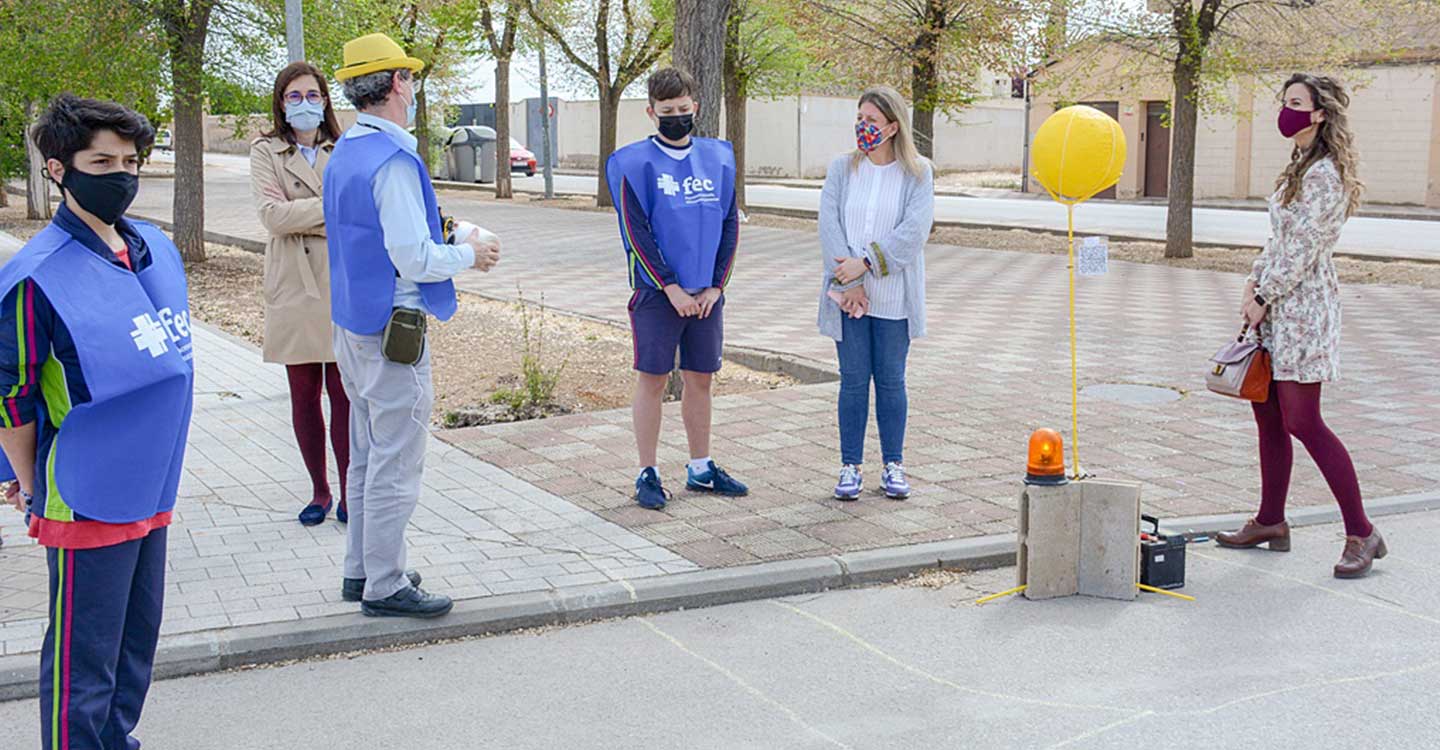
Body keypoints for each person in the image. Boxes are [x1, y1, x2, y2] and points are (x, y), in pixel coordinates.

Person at [0, 95, 193, 750]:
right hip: (84, 495)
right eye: (101, 161)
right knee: (85, 664)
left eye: (130, 160)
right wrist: (25, 481)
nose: (120, 174)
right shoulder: (36, 277)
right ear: (59, 169)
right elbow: (13, 395)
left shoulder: (148, 249)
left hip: (153, 484)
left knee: (134, 651)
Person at [325, 33, 500, 617]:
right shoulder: (394, 160)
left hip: (352, 322)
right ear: (398, 83)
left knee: (365, 452)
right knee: (396, 458)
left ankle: (363, 568)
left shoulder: (347, 151)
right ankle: (386, 584)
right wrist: (469, 255)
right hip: (393, 329)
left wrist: (449, 234)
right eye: (410, 79)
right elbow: (415, 258)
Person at [1217, 74, 1384, 579]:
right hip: (1274, 306)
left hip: (1304, 309)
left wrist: (1265, 294)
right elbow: (1280, 239)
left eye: (1295, 103)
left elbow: (1305, 248)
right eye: (1283, 101)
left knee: (1302, 420)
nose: (1285, 111)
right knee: (1267, 416)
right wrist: (1252, 286)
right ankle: (1271, 521)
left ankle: (1363, 532)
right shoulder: (1299, 166)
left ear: (1319, 114)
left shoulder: (1325, 174)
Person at [605, 67, 748, 511]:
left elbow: (728, 222)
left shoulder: (718, 158)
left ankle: (701, 467)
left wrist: (715, 287)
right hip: (657, 294)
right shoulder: (633, 163)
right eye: (667, 112)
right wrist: (670, 287)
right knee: (653, 379)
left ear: (696, 107)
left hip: (705, 295)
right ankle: (647, 472)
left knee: (701, 379)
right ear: (651, 112)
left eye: (683, 110)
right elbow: (636, 231)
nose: (676, 118)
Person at [816, 87, 934, 502]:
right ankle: (850, 467)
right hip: (848, 300)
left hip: (893, 299)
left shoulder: (918, 173)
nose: (863, 128)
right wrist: (849, 283)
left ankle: (893, 465)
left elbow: (913, 233)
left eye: (872, 121)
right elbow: (829, 225)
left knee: (890, 380)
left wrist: (866, 264)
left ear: (892, 127)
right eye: (859, 118)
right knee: (852, 382)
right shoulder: (842, 169)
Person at [251, 61, 351, 527]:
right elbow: (272, 216)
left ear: (326, 100)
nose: (305, 104)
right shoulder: (265, 151)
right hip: (293, 281)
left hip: (341, 278)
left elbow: (358, 209)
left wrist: (304, 212)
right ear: (281, 103)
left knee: (344, 393)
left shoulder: (345, 147)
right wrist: (330, 208)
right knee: (304, 393)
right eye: (294, 97)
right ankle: (319, 490)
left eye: (313, 95)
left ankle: (352, 490)